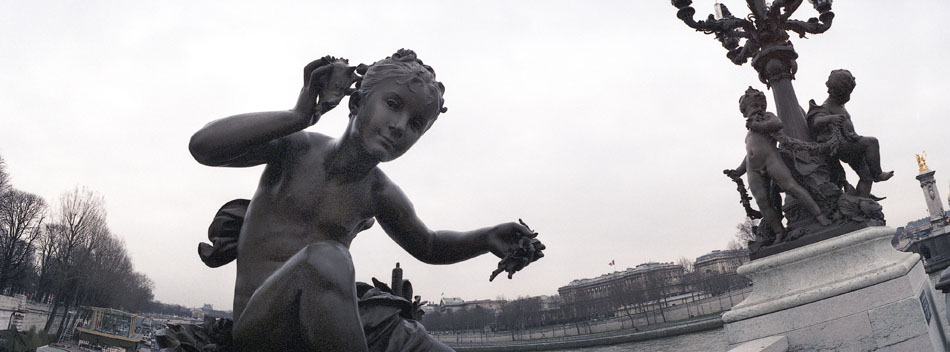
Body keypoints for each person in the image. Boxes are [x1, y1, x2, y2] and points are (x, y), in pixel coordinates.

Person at [189, 49, 544, 351]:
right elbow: (204, 146)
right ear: (357, 101)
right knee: (325, 258)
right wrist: (299, 116)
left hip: (327, 322)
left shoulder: (378, 192)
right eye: (393, 105)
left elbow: (430, 245)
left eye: (416, 124)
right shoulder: (296, 148)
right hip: (263, 328)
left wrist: (485, 238)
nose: (399, 126)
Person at [725, 87, 830, 241]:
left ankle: (819, 216)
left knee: (791, 186)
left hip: (771, 158)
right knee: (762, 200)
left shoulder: (766, 117)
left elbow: (777, 124)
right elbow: (749, 153)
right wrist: (739, 171)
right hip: (752, 167)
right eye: (754, 107)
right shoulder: (749, 133)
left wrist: (759, 125)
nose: (759, 109)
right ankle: (779, 231)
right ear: (745, 112)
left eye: (761, 106)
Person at [807, 69, 893, 198]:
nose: (849, 96)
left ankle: (860, 202)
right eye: (847, 93)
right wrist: (831, 118)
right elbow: (817, 121)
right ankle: (878, 174)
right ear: (839, 92)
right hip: (843, 145)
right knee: (872, 142)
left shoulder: (840, 105)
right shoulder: (827, 106)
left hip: (851, 143)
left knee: (866, 176)